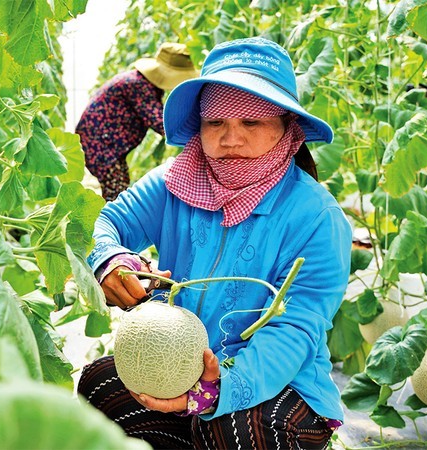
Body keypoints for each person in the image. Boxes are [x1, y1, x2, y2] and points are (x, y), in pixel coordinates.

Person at [78, 37, 352, 449]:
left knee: (230, 428)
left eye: (251, 122)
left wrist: (214, 391)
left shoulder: (316, 217)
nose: (230, 138)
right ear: (200, 126)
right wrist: (109, 258)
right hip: (176, 365)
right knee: (100, 383)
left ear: (286, 128)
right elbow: (103, 220)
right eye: (216, 122)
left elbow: (293, 331)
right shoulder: (174, 181)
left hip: (278, 388)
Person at [75, 42, 197, 201]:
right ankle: (109, 224)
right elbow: (161, 123)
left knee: (119, 188)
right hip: (100, 145)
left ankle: (110, 222)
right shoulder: (139, 86)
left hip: (104, 145)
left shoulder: (142, 82)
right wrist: (198, 131)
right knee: (116, 194)